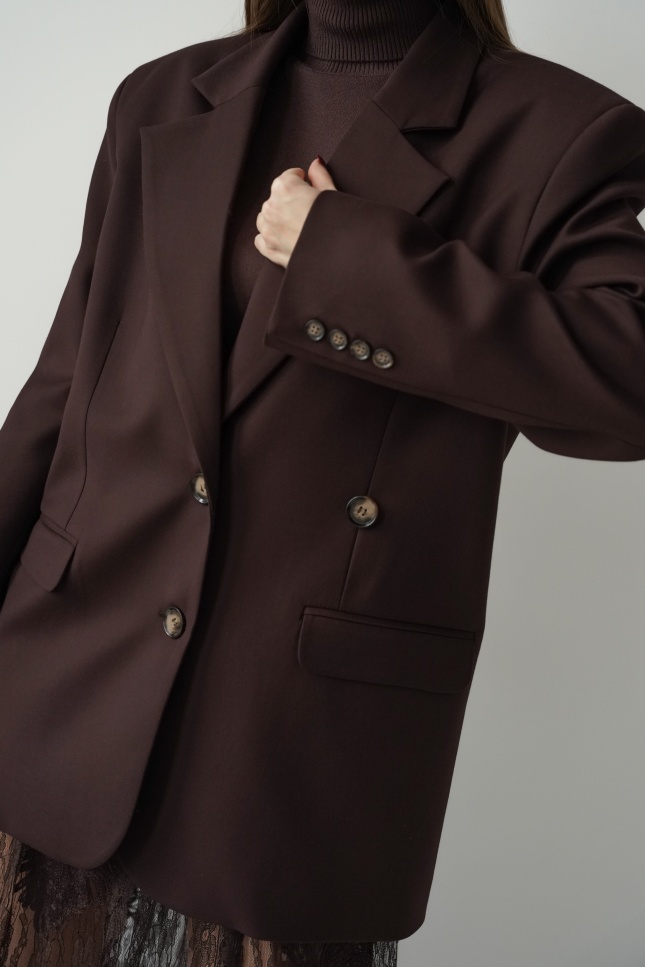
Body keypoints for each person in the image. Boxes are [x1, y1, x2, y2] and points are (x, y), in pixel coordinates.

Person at [1, 0, 644, 964]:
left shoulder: (563, 131)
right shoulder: (161, 97)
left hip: (293, 749)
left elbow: (627, 383)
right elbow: (64, 384)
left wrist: (347, 258)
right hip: (62, 687)